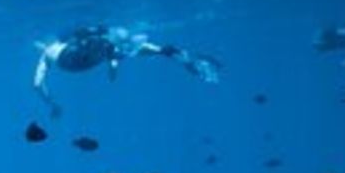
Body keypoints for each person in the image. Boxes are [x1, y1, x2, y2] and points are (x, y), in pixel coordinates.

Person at [32, 24, 221, 115]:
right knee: (114, 41)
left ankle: (180, 57)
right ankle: (172, 53)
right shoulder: (55, 45)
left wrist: (52, 104)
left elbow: (37, 84)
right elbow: (37, 84)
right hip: (84, 54)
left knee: (111, 43)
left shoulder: (48, 52)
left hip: (73, 61)